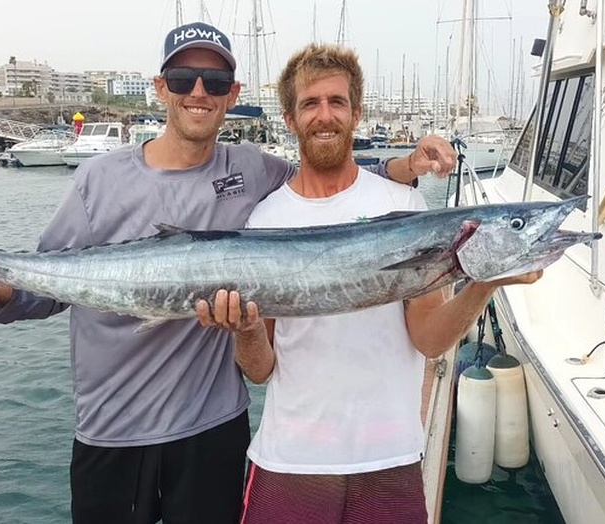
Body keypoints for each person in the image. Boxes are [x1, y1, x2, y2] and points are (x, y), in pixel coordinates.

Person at [0, 22, 456, 524]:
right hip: (113, 429)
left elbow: (328, 173)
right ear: (161, 88)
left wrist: (404, 167)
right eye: (183, 79)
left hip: (212, 428)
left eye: (216, 81)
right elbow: (46, 290)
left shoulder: (251, 170)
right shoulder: (98, 178)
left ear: (233, 94)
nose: (199, 92)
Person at [196, 43, 542, 524]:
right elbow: (260, 370)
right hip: (290, 460)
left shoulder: (404, 205)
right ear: (291, 119)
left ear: (356, 112)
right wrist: (247, 330)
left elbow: (429, 339)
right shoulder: (265, 219)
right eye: (310, 103)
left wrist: (483, 284)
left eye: (337, 102)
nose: (325, 115)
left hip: (390, 459)